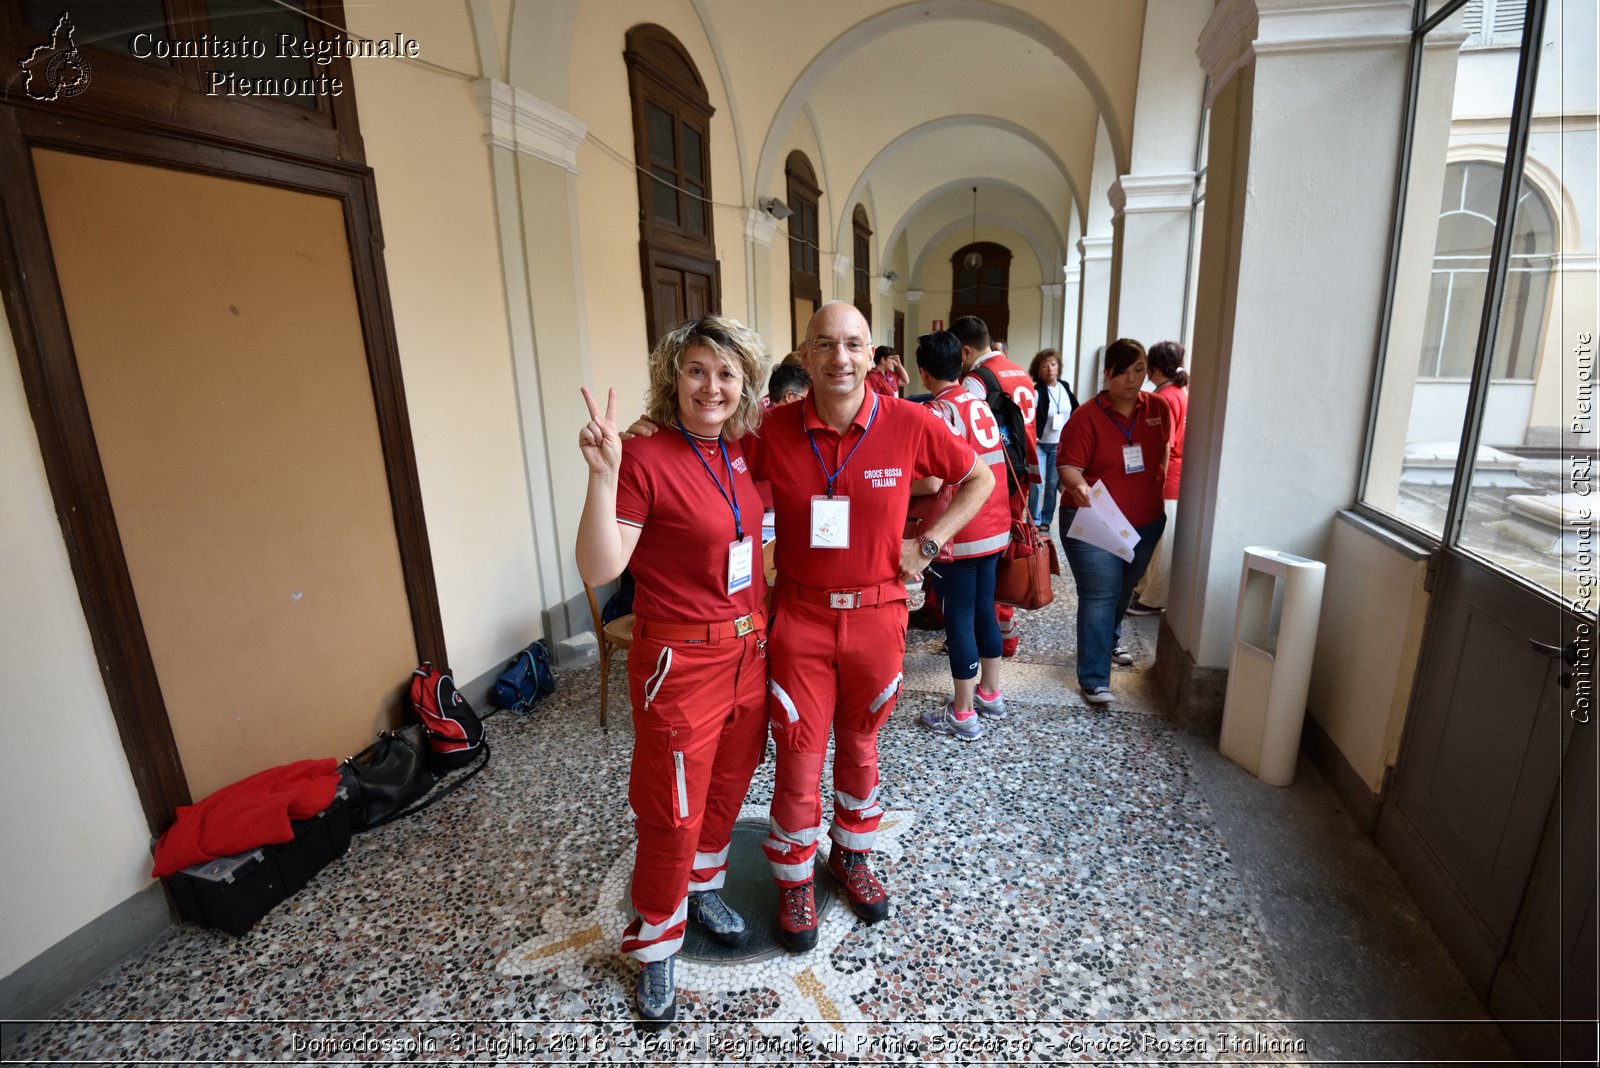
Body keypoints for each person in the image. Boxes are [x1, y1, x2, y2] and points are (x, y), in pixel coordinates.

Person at [625, 303, 993, 953]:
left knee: (860, 745)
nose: (841, 357)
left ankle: (853, 856)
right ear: (806, 352)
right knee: (797, 752)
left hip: (879, 617)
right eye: (826, 344)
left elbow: (979, 478)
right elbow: (701, 440)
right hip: (798, 619)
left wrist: (928, 543)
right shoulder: (771, 431)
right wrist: (649, 431)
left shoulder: (910, 421)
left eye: (853, 344)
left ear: (870, 350)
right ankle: (794, 877)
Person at [574, 315, 771, 1025]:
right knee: (672, 807)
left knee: (727, 785)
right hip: (679, 663)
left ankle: (704, 885)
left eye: (725, 372)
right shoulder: (643, 452)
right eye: (696, 369)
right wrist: (602, 478)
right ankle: (656, 940)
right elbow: (602, 567)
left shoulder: (742, 450)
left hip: (750, 650)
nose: (710, 386)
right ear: (673, 377)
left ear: (743, 382)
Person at [1057, 338, 1172, 706]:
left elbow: (1164, 455)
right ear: (1107, 373)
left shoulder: (1158, 408)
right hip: (1094, 523)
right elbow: (1068, 468)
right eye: (1122, 371)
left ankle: (1109, 640)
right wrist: (1080, 489)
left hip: (1146, 522)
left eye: (1138, 369)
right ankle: (1094, 678)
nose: (1131, 378)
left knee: (1125, 589)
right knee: (1101, 593)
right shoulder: (1087, 416)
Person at [911, 330, 1011, 740]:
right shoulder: (977, 402)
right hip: (994, 524)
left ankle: (963, 713)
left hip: (961, 531)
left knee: (959, 618)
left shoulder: (938, 411)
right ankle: (991, 692)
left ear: (923, 372)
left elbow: (934, 483)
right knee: (984, 609)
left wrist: (897, 481)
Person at [952, 315, 1037, 657]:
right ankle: (1005, 630)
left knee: (993, 555)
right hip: (1022, 472)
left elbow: (970, 435)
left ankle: (1000, 633)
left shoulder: (977, 380)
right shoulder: (1018, 371)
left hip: (996, 477)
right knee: (1010, 548)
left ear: (967, 349)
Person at [1128, 341, 1189, 616]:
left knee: (1161, 544)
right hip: (1172, 477)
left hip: (1167, 478)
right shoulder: (1178, 392)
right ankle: (1144, 588)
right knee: (1155, 542)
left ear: (1154, 367)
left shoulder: (1166, 397)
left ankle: (1152, 597)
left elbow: (1166, 443)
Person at [1029, 348, 1078, 533]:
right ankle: (1033, 519)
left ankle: (1046, 520)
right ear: (1038, 371)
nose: (1049, 369)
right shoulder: (1036, 391)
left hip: (1059, 444)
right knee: (1037, 483)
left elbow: (1075, 411)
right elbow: (1030, 417)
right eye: (1044, 366)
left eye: (1053, 364)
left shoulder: (1064, 387)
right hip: (1040, 444)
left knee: (1052, 484)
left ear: (1058, 367)